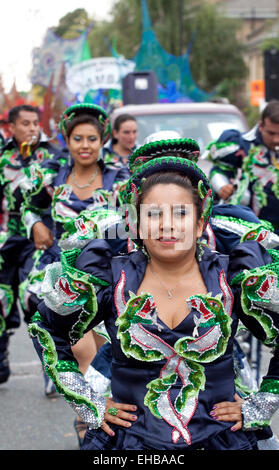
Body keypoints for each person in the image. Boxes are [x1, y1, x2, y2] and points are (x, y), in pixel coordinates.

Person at [28, 136, 279, 450]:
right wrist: (89, 404)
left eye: (181, 212)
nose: (167, 224)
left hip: (219, 391)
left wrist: (260, 404)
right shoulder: (106, 253)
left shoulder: (234, 247)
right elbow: (47, 328)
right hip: (129, 401)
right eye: (154, 213)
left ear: (202, 217)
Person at [19, 102, 130, 441]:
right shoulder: (51, 174)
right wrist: (36, 223)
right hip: (60, 272)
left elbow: (131, 224)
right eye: (78, 138)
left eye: (92, 139)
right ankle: (88, 421)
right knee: (83, 351)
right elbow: (28, 207)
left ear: (102, 141)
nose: (85, 146)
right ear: (67, 140)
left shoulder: (120, 178)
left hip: (106, 271)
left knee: (107, 353)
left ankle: (95, 415)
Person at [0, 104, 64, 385]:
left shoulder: (53, 156)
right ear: (11, 127)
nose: (31, 128)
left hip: (39, 235)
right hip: (5, 235)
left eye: (35, 123)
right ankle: (1, 363)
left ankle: (52, 368)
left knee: (35, 298)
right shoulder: (3, 157)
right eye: (25, 123)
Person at [205, 100, 279, 234]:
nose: (276, 140)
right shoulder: (240, 145)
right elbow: (219, 170)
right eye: (271, 133)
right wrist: (222, 187)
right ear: (261, 125)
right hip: (250, 228)